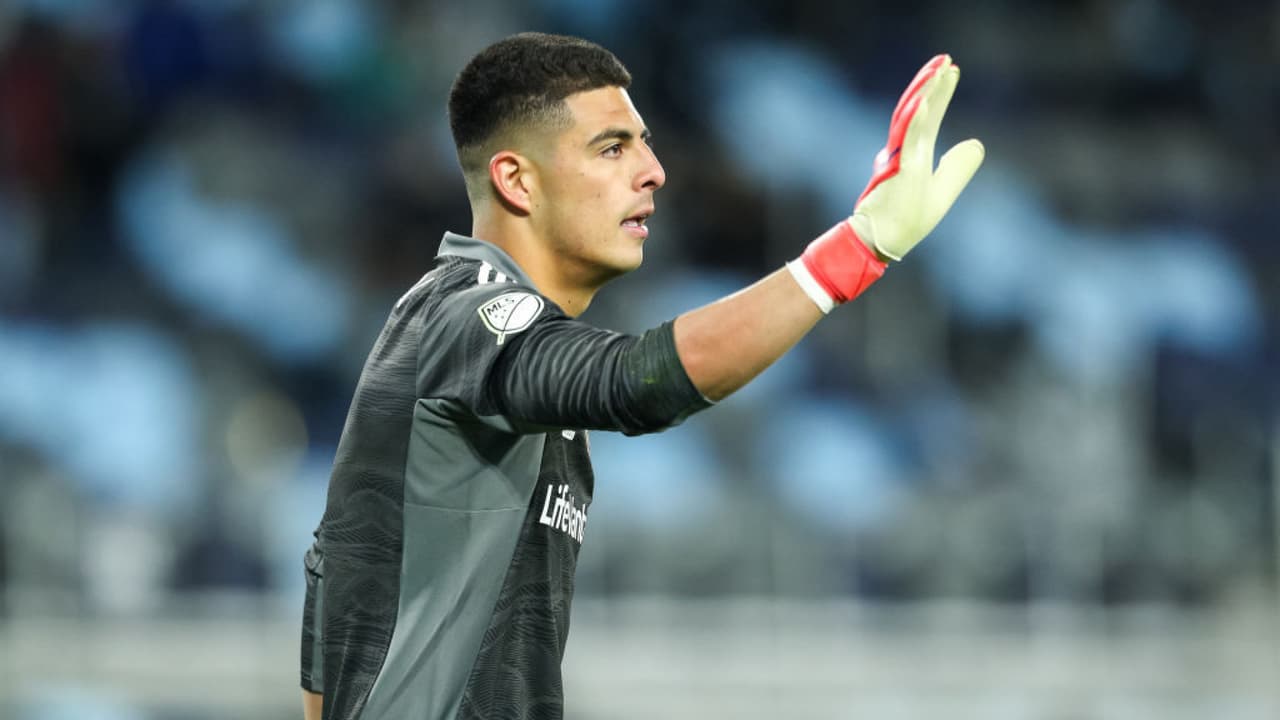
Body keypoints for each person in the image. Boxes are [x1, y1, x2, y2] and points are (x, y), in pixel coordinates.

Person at [299, 32, 983, 720]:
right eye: (612, 148)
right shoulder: (471, 317)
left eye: (645, 145)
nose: (653, 171)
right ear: (517, 181)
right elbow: (636, 383)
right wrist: (853, 252)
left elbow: (330, 581)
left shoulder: (445, 328)